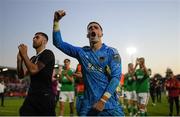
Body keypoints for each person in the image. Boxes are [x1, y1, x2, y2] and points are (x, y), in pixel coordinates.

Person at [53, 10, 124, 116]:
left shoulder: (111, 52)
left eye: (96, 27)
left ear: (101, 33)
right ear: (87, 35)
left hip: (109, 105)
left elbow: (116, 77)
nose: (93, 29)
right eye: (90, 28)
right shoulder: (82, 52)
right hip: (88, 106)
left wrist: (103, 100)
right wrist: (56, 22)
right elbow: (58, 43)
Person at [17, 32, 56, 116]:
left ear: (44, 41)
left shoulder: (48, 53)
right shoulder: (33, 58)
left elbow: (33, 69)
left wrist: (24, 54)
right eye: (33, 38)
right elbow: (21, 75)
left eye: (37, 37)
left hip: (44, 96)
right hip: (32, 95)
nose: (34, 39)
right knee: (23, 112)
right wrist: (19, 60)